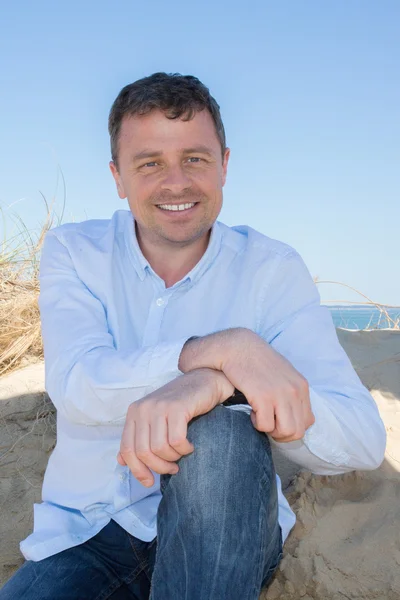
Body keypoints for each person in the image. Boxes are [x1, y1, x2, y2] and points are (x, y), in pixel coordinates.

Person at [0, 72, 386, 600]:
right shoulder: (75, 251)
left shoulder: (271, 269)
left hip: (227, 530)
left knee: (220, 433)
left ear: (225, 164)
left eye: (195, 159)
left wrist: (223, 386)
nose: (176, 182)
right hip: (90, 532)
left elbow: (363, 440)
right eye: (150, 163)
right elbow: (75, 383)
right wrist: (218, 355)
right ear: (118, 177)